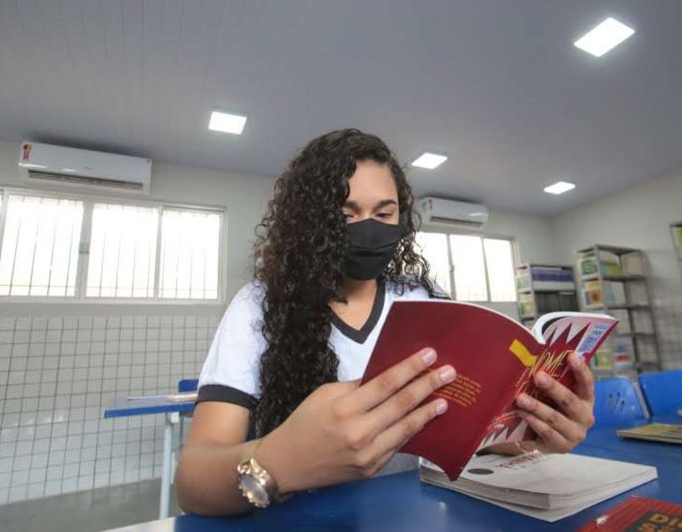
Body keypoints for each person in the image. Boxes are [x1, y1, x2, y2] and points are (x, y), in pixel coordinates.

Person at [175, 129, 596, 516]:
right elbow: (193, 482)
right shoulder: (258, 306)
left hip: (414, 514)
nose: (369, 229)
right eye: (347, 213)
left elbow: (464, 432)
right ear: (309, 221)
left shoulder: (423, 301)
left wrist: (533, 431)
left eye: (384, 212)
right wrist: (282, 461)